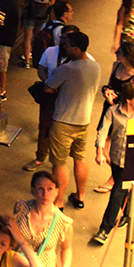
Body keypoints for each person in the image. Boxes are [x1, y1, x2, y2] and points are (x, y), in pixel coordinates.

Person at [44, 31, 103, 210]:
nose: (64, 47)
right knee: (80, 158)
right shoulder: (95, 67)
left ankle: (59, 201)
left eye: (68, 45)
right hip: (83, 121)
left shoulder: (68, 68)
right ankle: (80, 196)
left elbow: (48, 87)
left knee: (59, 163)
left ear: (76, 49)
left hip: (63, 121)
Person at [91, 82, 134, 245]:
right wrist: (99, 152)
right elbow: (103, 131)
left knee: (117, 193)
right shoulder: (112, 112)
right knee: (122, 188)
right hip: (116, 159)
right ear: (129, 100)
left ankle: (104, 229)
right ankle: (129, 213)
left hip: (132, 160)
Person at [12, 172, 73, 267]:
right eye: (40, 189)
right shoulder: (21, 209)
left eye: (50, 189)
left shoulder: (63, 222)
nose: (45, 194)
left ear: (57, 191)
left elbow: (67, 248)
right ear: (33, 190)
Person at [22, 25, 80, 173]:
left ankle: (60, 161)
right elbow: (41, 68)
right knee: (44, 127)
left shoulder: (83, 60)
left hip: (68, 101)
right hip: (49, 98)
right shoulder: (50, 51)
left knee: (63, 131)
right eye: (63, 37)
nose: (65, 42)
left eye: (69, 39)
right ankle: (40, 157)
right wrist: (48, 82)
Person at [94, 43, 134, 194]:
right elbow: (109, 85)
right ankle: (118, 176)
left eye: (120, 52)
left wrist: (115, 101)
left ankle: (116, 177)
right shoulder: (116, 66)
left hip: (123, 115)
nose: (116, 53)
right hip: (109, 110)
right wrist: (107, 92)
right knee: (103, 147)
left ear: (128, 56)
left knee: (111, 150)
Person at [21, 0, 57, 69]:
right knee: (39, 38)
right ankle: (38, 59)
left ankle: (27, 61)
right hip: (43, 15)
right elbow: (52, 1)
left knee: (27, 38)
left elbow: (23, 0)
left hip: (30, 15)